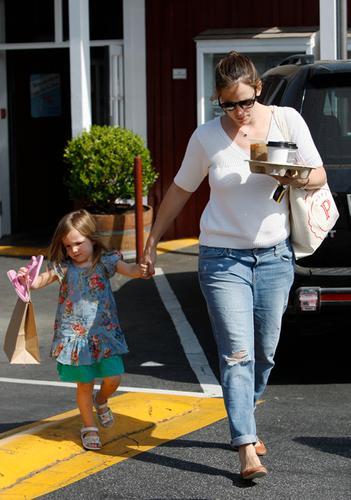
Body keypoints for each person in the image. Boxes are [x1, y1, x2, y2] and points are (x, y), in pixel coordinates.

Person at [142, 51, 327, 480]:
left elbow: (317, 174)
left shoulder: (286, 122)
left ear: (258, 90)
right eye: (227, 105)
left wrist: (293, 176)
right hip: (222, 259)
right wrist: (152, 239)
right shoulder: (207, 137)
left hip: (276, 257)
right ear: (217, 100)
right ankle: (245, 446)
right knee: (237, 354)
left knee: (264, 351)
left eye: (244, 102)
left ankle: (246, 411)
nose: (237, 113)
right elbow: (179, 191)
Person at [17, 209, 148, 451]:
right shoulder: (64, 268)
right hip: (75, 336)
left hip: (103, 333)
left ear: (92, 239)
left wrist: (140, 270)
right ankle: (89, 426)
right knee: (84, 384)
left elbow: (129, 270)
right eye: (68, 246)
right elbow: (39, 282)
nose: (73, 250)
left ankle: (102, 400)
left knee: (113, 377)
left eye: (78, 243)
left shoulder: (106, 261)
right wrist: (27, 279)